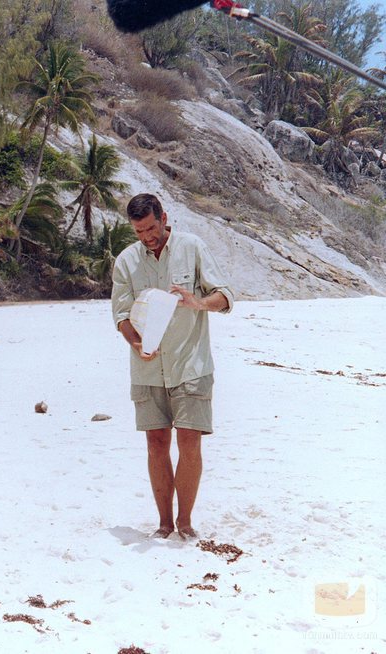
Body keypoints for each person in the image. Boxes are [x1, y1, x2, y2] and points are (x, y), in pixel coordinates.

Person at [111, 193, 234, 540]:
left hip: (191, 364)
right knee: (156, 442)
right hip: (147, 368)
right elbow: (121, 313)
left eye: (151, 228)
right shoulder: (126, 261)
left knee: (190, 441)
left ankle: (185, 522)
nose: (147, 236)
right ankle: (164, 523)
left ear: (164, 217)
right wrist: (134, 342)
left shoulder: (192, 247)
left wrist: (197, 302)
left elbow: (225, 296)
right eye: (139, 231)